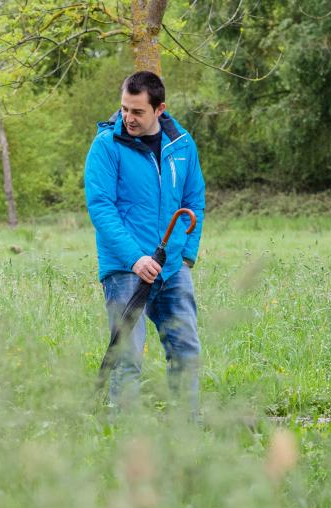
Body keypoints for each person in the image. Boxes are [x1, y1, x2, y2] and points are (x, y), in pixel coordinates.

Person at [84, 71, 206, 415]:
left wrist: (185, 257)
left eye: (137, 111)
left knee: (186, 349)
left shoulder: (182, 144)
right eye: (124, 109)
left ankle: (187, 431)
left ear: (159, 109)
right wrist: (136, 258)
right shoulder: (106, 146)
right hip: (125, 269)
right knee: (127, 357)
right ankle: (125, 438)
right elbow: (101, 207)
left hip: (171, 266)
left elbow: (194, 201)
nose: (128, 118)